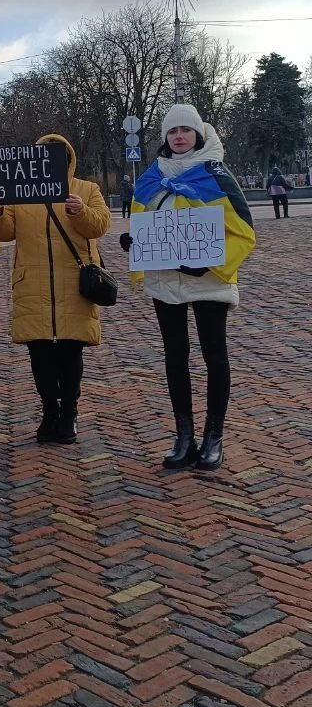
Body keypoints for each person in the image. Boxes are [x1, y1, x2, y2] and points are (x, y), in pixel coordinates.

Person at [123, 105, 255, 471]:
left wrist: (211, 260)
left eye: (185, 130)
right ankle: (184, 436)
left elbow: (244, 231)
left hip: (209, 280)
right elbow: (141, 220)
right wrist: (135, 243)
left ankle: (214, 436)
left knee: (215, 355)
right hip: (165, 280)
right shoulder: (151, 177)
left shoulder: (216, 174)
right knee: (174, 355)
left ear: (198, 133)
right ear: (165, 138)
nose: (178, 136)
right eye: (172, 131)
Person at [0, 135, 110, 444]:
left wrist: (80, 211)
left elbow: (100, 226)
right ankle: (48, 412)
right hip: (33, 283)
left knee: (71, 352)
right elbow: (6, 234)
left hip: (75, 285)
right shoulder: (18, 192)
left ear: (67, 159)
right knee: (39, 354)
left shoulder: (86, 189)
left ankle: (68, 414)